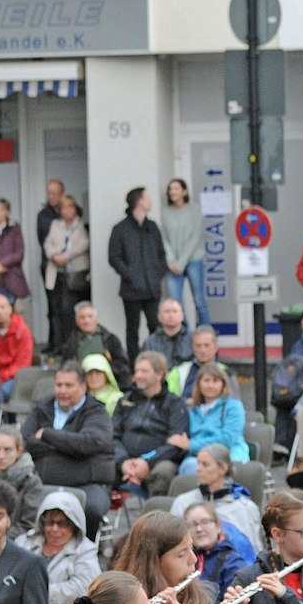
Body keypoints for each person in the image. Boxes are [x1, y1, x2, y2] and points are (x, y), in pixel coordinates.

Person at [22, 362, 115, 532]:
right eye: (59, 385)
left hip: (88, 484)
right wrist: (68, 448)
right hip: (41, 483)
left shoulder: (97, 413)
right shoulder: (42, 408)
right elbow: (26, 441)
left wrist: (48, 435)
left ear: (83, 387)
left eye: (69, 385)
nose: (62, 391)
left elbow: (87, 443)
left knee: (91, 509)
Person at [113, 352, 191, 496]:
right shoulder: (124, 401)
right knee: (99, 465)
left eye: (144, 371)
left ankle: (156, 516)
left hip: (157, 462)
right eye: (136, 371)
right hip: (124, 462)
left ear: (160, 374)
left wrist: (146, 462)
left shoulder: (175, 404)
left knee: (164, 471)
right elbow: (113, 436)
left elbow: (175, 444)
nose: (138, 376)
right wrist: (123, 462)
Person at [168, 443, 264, 551]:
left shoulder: (244, 508)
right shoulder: (183, 502)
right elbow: (172, 545)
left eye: (205, 464)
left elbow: (253, 552)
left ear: (222, 469)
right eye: (198, 463)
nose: (198, 469)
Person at [108, 187, 167, 355]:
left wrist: (158, 273)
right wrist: (130, 275)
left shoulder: (152, 227)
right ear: (138, 201)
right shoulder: (120, 229)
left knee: (155, 327)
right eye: (146, 197)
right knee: (132, 329)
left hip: (152, 288)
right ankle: (134, 366)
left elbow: (161, 254)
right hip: (131, 289)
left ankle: (156, 362)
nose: (150, 201)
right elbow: (114, 257)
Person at [40, 187, 87, 353]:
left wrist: (66, 256)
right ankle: (58, 345)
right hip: (56, 272)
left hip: (74, 275)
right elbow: (47, 243)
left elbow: (83, 244)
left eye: (70, 207)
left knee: (69, 311)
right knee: (56, 310)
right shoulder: (55, 224)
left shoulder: (81, 225)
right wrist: (54, 255)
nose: (67, 210)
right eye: (64, 207)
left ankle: (71, 345)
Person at [160, 180, 210, 328]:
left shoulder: (195, 210)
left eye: (176, 188)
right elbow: (164, 238)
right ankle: (184, 335)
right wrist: (170, 259)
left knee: (199, 300)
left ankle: (206, 333)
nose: (172, 192)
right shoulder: (166, 212)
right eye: (170, 189)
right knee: (175, 302)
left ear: (184, 191)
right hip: (173, 263)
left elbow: (195, 238)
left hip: (193, 259)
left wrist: (181, 263)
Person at [183, 500, 254, 601]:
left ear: (218, 526)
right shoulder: (183, 559)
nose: (199, 529)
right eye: (193, 525)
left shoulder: (233, 563)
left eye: (205, 522)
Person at [0, 293, 34, 386]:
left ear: (10, 309)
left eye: (2, 307)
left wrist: (1, 377)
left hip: (14, 377)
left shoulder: (22, 331)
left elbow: (23, 363)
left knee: (1, 392)